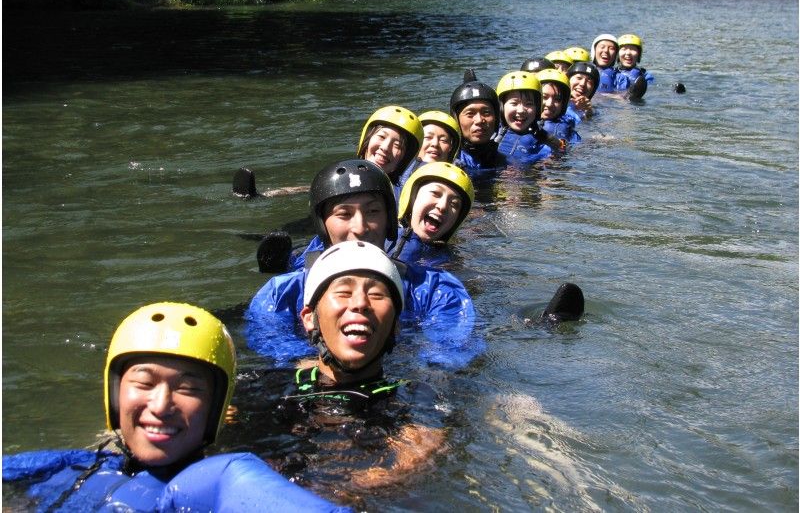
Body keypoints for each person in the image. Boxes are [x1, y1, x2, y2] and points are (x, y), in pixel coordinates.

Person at [2, 303, 347, 512]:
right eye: (144, 382)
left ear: (215, 409)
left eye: (188, 388)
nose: (162, 404)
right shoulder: (73, 465)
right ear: (115, 394)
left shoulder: (221, 482)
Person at [227, 241, 450, 501]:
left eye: (377, 295)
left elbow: (406, 464)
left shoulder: (416, 399)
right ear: (310, 318)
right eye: (343, 292)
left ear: (395, 327)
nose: (360, 303)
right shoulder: (261, 384)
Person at [244, 160, 484, 371]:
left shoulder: (434, 289)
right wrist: (307, 361)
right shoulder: (282, 292)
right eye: (344, 214)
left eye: (373, 212)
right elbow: (266, 339)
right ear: (322, 225)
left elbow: (451, 349)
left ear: (390, 221)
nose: (360, 227)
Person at [391, 161, 474, 267]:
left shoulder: (447, 264)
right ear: (412, 200)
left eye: (454, 204)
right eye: (435, 193)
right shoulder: (380, 235)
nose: (443, 206)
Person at [492, 70, 556, 163]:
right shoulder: (489, 133)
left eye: (529, 104)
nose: (521, 110)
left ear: (538, 109)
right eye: (514, 103)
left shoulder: (542, 149)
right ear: (501, 107)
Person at [356, 105, 423, 187]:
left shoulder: (401, 196)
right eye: (381, 137)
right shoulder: (339, 179)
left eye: (397, 145)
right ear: (367, 138)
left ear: (405, 159)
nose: (385, 148)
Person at [450, 75, 506, 171]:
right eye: (470, 114)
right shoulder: (448, 161)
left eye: (486, 113)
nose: (479, 120)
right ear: (456, 120)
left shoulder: (504, 162)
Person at [398, 109, 462, 186]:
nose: (435, 144)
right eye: (428, 137)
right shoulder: (397, 172)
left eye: (443, 140)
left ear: (451, 148)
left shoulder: (459, 174)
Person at [537, 68, 580, 145]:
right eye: (544, 97)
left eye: (557, 99)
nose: (549, 104)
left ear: (563, 104)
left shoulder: (559, 129)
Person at [613, 33, 654, 98]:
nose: (628, 53)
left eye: (632, 49)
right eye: (624, 49)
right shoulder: (612, 74)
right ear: (617, 54)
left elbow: (653, 92)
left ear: (638, 55)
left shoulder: (645, 76)